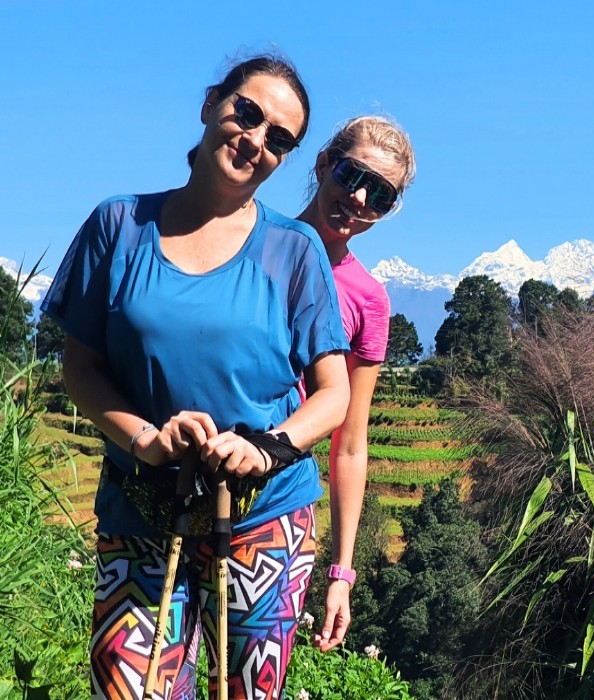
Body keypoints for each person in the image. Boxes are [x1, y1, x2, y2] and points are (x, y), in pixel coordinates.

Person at [42, 55, 350, 699]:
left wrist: (265, 448)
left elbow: (334, 393)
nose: (256, 139)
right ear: (212, 104)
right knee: (128, 688)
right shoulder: (118, 227)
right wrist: (146, 441)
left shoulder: (295, 251)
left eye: (280, 139)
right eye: (247, 112)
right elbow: (81, 367)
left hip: (265, 520)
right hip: (141, 505)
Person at [293, 115, 417, 652]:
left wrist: (340, 573)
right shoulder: (246, 239)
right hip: (184, 478)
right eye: (350, 174)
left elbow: (350, 441)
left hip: (280, 508)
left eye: (381, 195)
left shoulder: (369, 299)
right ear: (323, 164)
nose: (359, 197)